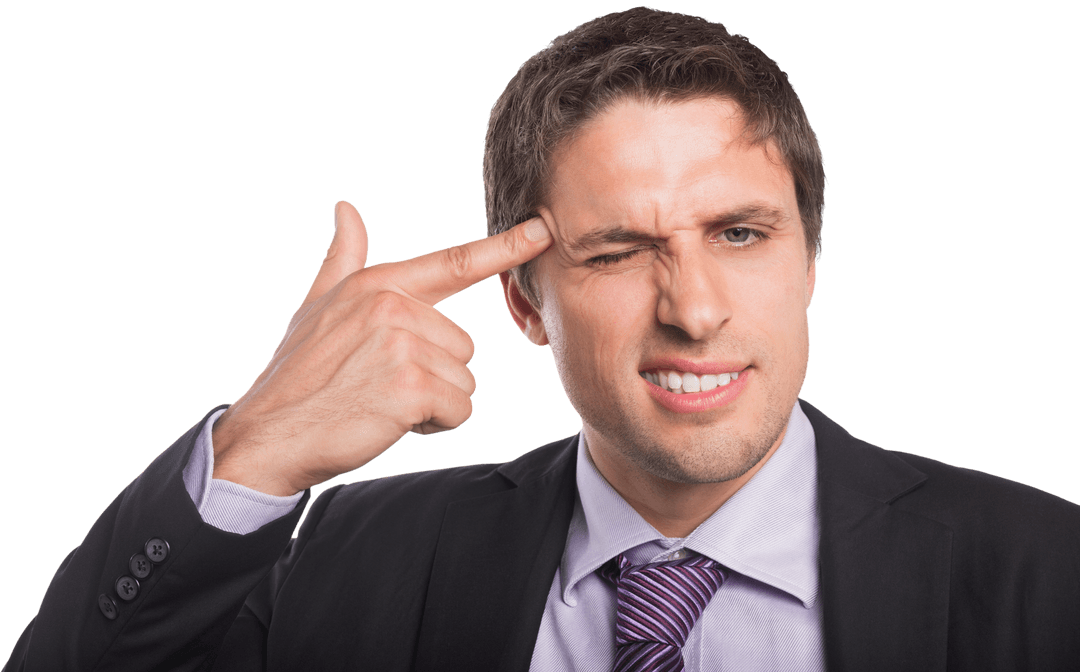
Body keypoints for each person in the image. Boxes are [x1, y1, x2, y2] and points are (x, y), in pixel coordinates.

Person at [6, 7, 1078, 671]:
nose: (695, 310)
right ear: (524, 301)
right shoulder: (351, 560)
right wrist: (258, 448)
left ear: (809, 261)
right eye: (618, 252)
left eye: (741, 235)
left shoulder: (1047, 575)